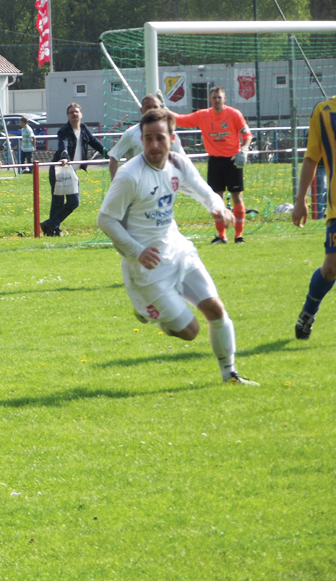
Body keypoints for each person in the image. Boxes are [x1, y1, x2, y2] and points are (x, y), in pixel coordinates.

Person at [97, 108, 258, 386]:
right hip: (147, 267)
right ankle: (149, 310)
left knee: (216, 309)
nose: (154, 145)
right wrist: (137, 250)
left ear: (172, 138)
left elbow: (204, 190)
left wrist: (218, 208)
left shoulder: (178, 164)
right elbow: (105, 220)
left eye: (160, 138)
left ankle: (229, 375)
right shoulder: (129, 175)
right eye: (148, 139)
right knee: (190, 331)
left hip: (179, 250)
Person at [172, 86, 252, 244]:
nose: (217, 100)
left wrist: (244, 149)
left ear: (225, 99)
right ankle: (221, 235)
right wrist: (162, 109)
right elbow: (181, 120)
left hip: (233, 160)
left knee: (237, 197)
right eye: (214, 97)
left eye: (219, 97)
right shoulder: (203, 115)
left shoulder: (234, 114)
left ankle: (239, 235)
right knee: (216, 198)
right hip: (215, 161)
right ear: (210, 99)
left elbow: (247, 134)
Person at [291, 94, 336, 340]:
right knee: (331, 268)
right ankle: (309, 310)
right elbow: (311, 158)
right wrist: (300, 201)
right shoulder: (323, 111)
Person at [40, 102, 106, 237]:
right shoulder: (63, 131)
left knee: (73, 201)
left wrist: (110, 154)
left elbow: (95, 143)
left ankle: (50, 225)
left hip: (71, 170)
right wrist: (64, 156)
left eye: (76, 112)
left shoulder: (84, 129)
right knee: (58, 201)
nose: (74, 114)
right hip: (59, 168)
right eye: (71, 112)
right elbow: (62, 145)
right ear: (68, 116)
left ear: (81, 114)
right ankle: (53, 229)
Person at [108, 94, 184, 180]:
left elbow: (182, 158)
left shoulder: (168, 133)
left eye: (155, 107)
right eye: (148, 107)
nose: (152, 110)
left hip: (162, 185)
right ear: (142, 110)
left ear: (160, 109)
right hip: (137, 186)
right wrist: (115, 183)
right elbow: (114, 157)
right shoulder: (131, 133)